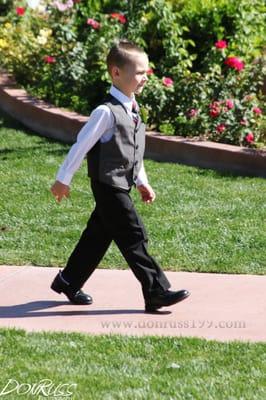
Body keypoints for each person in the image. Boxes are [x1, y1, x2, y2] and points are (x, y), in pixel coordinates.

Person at [50, 39, 190, 312]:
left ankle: (68, 280)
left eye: (146, 73)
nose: (144, 78)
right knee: (133, 233)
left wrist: (142, 182)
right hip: (107, 184)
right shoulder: (105, 112)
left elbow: (133, 152)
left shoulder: (133, 109)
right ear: (116, 73)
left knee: (98, 236)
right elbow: (81, 145)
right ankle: (156, 290)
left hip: (122, 184)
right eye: (138, 73)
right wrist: (62, 179)